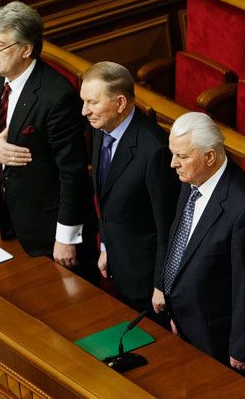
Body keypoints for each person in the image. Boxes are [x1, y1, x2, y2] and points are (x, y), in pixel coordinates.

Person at [0, 1, 96, 276]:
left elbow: (72, 173)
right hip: (13, 221)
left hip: (52, 229)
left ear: (26, 49)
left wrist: (66, 238)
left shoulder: (57, 96)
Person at [163, 111, 245, 388]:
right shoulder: (193, 181)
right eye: (173, 154)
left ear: (209, 156)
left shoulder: (244, 208)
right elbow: (179, 242)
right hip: (190, 322)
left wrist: (242, 347)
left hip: (222, 337)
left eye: (182, 156)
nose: (173, 164)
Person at [80, 61, 180, 319]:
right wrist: (105, 248)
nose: (84, 111)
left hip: (148, 280)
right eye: (84, 102)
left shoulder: (154, 150)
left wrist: (161, 285)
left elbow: (167, 226)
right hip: (120, 266)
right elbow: (104, 198)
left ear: (120, 103)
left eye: (92, 102)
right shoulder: (102, 129)